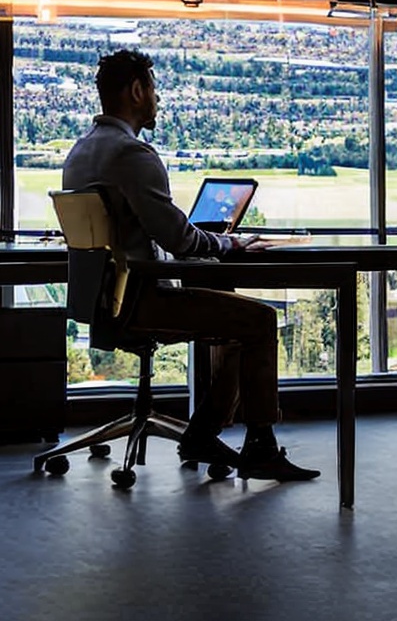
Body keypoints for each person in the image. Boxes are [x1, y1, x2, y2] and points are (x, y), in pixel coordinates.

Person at [63, 49, 319, 482]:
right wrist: (230, 241)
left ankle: (203, 433)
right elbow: (179, 239)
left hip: (107, 299)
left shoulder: (81, 152)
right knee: (259, 321)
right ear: (138, 90)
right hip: (143, 301)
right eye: (154, 90)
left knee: (232, 311)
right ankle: (259, 446)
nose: (157, 100)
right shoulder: (132, 154)